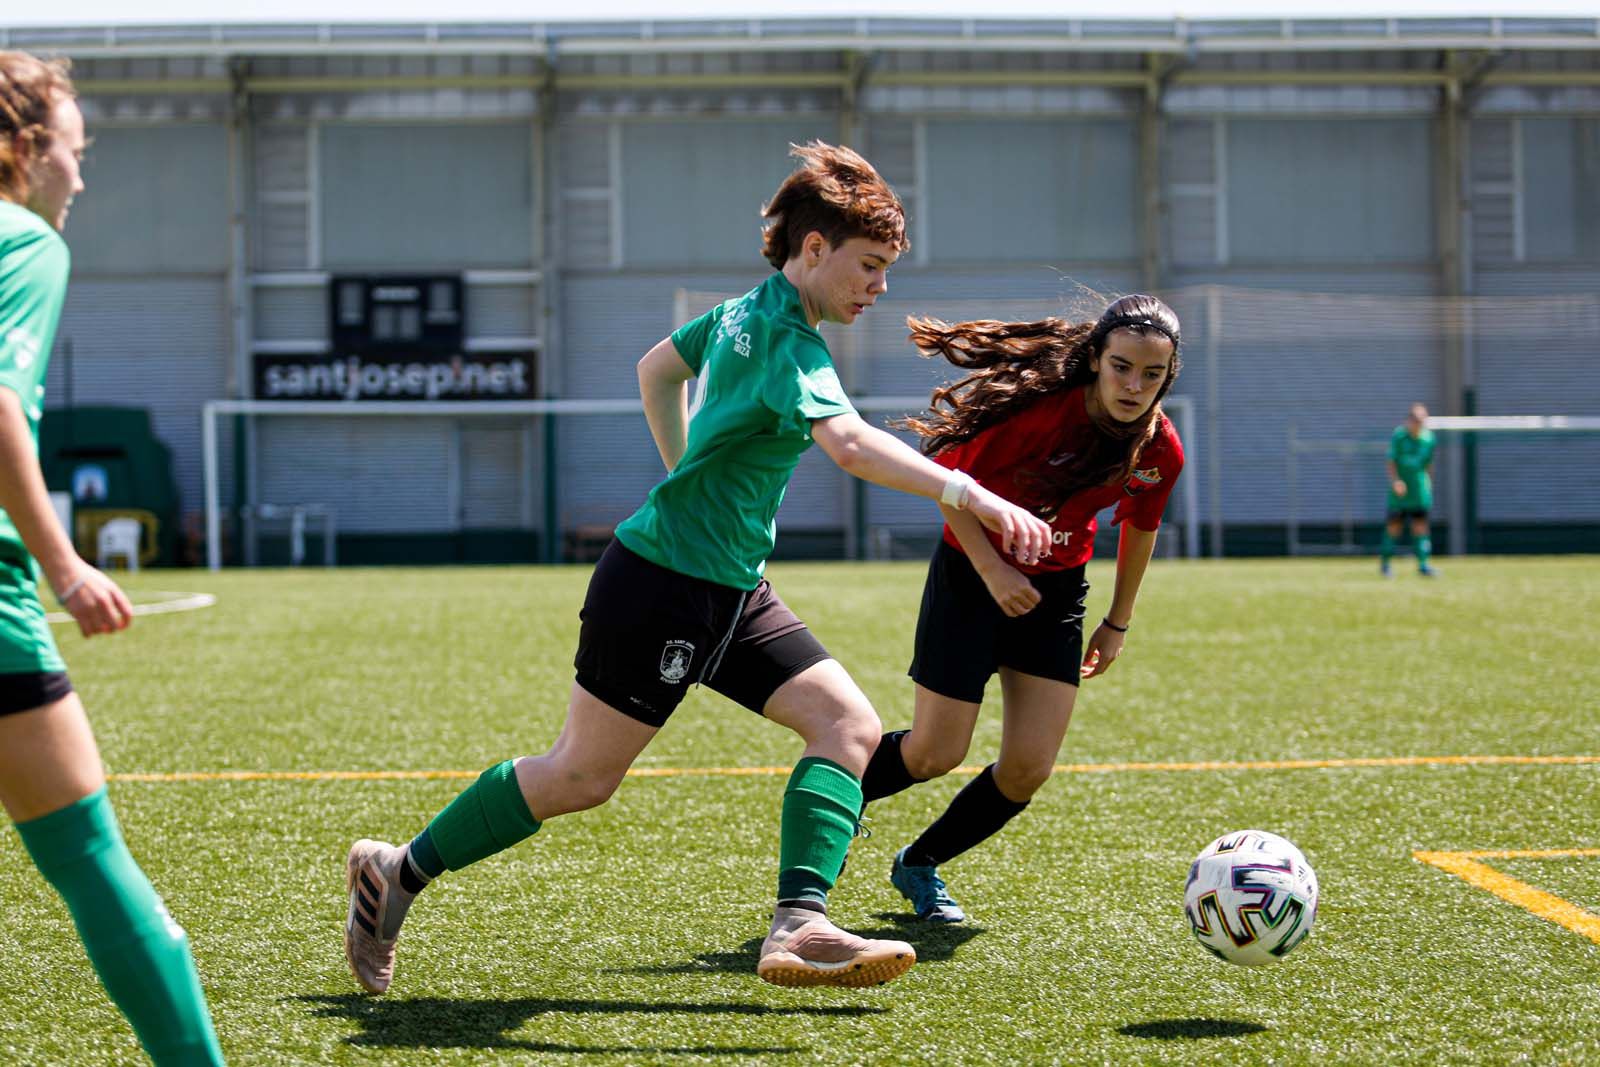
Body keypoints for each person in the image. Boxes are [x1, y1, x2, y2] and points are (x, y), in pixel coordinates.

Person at [343, 142, 1052, 992]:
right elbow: (851, 444)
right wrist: (971, 490)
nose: (880, 287)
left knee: (850, 728)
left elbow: (655, 370)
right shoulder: (791, 342)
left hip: (731, 587)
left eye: (888, 269)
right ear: (815, 249)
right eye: (869, 266)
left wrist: (684, 469)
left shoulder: (739, 312)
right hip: (661, 584)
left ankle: (800, 923)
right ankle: (399, 869)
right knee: (579, 775)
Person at [0, 52, 225, 1065]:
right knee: (93, 858)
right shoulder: (26, 243)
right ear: (23, 150)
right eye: (73, 154)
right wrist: (63, 563)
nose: (80, 178)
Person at [856, 295, 1184, 923]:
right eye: (1121, 367)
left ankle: (919, 864)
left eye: (1151, 374)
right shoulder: (1036, 413)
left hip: (1055, 593)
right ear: (1095, 359)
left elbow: (1141, 525)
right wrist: (993, 568)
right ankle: (831, 807)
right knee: (933, 754)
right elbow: (948, 486)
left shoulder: (1159, 446)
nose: (1134, 385)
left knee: (1028, 768)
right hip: (971, 576)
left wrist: (1117, 623)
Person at [1381, 402, 1437, 578]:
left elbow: (1428, 465)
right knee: (1394, 527)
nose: (1418, 423)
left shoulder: (1429, 439)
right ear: (1409, 420)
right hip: (1400, 493)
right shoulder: (1399, 436)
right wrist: (1396, 481)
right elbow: (1391, 462)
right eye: (1415, 419)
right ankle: (1386, 564)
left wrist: (1428, 483)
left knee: (1420, 527)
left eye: (1422, 420)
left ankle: (1423, 565)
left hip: (1418, 491)